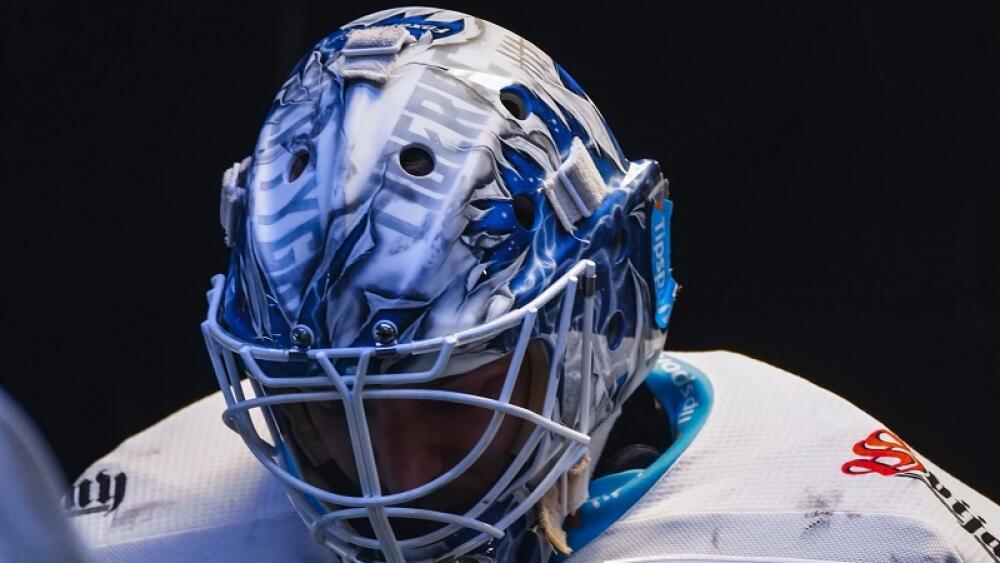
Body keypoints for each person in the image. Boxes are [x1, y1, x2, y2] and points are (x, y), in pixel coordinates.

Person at [70, 7, 1000, 562]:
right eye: (323, 410)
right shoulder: (135, 522)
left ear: (599, 325)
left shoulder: (857, 526)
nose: (396, 491)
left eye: (453, 399)